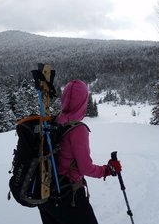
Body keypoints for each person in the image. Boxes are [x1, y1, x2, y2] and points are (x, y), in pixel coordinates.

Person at [38, 79, 122, 224]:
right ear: (83, 101)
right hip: (69, 196)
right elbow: (85, 168)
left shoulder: (53, 120)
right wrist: (107, 170)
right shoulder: (78, 129)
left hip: (45, 194)